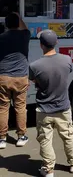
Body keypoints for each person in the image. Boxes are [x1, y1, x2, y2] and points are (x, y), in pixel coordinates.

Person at [29, 29, 73, 177]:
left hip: (43, 109)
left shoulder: (35, 66)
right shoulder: (67, 59)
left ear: (41, 45)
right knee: (68, 135)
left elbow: (35, 81)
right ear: (57, 43)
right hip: (63, 107)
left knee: (45, 139)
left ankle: (48, 170)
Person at [0, 12, 30, 149]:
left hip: (3, 77)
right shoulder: (24, 36)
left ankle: (2, 139)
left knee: (3, 108)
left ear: (5, 24)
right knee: (20, 107)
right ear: (17, 23)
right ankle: (21, 136)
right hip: (21, 77)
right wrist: (19, 16)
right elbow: (25, 28)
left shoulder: (1, 38)